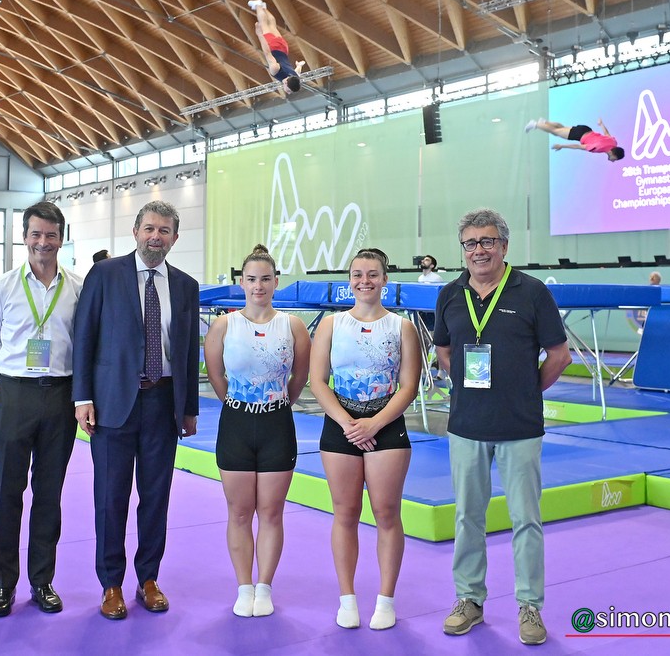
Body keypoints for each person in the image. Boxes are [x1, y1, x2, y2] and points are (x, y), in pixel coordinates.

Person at [433, 209, 571, 643]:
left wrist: (526, 390)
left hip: (520, 426)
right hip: (466, 426)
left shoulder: (532, 292)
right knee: (467, 517)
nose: (479, 250)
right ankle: (469, 599)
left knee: (526, 519)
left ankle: (529, 606)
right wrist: (470, 388)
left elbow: (560, 355)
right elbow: (444, 352)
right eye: (470, 243)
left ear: (504, 246)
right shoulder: (450, 294)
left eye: (487, 241)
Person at [72, 200, 201, 621]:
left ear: (175, 238)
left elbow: (187, 352)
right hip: (112, 405)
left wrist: (189, 408)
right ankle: (111, 583)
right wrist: (82, 397)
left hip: (164, 404)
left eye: (164, 230)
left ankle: (148, 579)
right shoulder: (104, 275)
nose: (155, 237)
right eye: (149, 228)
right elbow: (85, 337)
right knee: (110, 499)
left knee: (156, 498)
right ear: (135, 232)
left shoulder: (186, 286)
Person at [0, 202, 82, 618]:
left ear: (61, 239)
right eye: (36, 234)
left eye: (51, 235)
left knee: (49, 494)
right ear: (24, 237)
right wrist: (13, 383)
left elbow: (84, 344)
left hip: (60, 395)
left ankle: (42, 580)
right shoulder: (1, 288)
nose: (43, 242)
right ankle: (3, 584)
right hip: (14, 395)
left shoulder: (78, 288)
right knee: (6, 492)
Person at [309, 248, 422, 631]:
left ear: (385, 279)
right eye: (358, 274)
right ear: (349, 280)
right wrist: (348, 423)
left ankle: (386, 600)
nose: (365, 281)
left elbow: (408, 387)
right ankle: (347, 599)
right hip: (340, 424)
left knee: (387, 513)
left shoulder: (401, 327)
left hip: (385, 424)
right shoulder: (332, 324)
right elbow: (317, 381)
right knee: (345, 513)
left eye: (373, 274)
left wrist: (374, 423)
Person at [203, 244, 311, 618]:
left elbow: (299, 378)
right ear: (242, 283)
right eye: (251, 279)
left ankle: (264, 586)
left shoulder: (293, 326)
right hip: (235, 423)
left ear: (276, 282)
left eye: (265, 279)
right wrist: (240, 404)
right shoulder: (224, 325)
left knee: (271, 512)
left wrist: (274, 405)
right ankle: (243, 586)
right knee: (238, 513)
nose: (258, 286)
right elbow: (216, 376)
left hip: (276, 424)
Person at [248, 0, 305, 95]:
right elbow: (267, 53)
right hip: (273, 46)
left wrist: (299, 65)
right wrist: (260, 35)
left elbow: (297, 72)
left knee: (272, 26)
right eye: (289, 90)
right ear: (286, 83)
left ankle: (264, 8)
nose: (288, 93)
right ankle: (258, 5)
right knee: (264, 24)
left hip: (284, 48)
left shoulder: (294, 77)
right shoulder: (275, 70)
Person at [525, 117, 625, 162]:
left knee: (562, 128)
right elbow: (578, 146)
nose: (613, 161)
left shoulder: (614, 142)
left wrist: (601, 124)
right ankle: (535, 124)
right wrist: (562, 146)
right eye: (615, 159)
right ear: (613, 154)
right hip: (579, 135)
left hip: (586, 129)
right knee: (555, 131)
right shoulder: (597, 148)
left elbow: (606, 133)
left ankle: (545, 122)